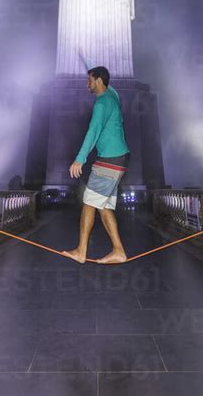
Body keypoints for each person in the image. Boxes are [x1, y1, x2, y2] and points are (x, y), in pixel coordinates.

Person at [62, 66, 130, 264]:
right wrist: (93, 65)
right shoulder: (113, 95)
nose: (87, 84)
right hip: (118, 159)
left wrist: (80, 158)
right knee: (103, 206)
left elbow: (93, 130)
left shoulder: (102, 103)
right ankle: (118, 251)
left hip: (109, 160)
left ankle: (81, 251)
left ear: (99, 81)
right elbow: (108, 82)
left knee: (89, 203)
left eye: (89, 80)